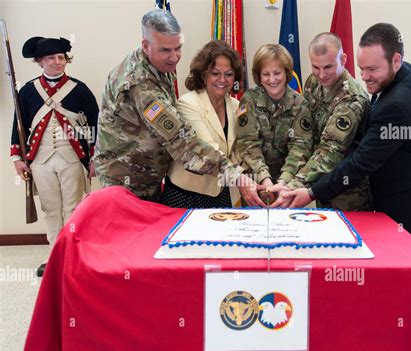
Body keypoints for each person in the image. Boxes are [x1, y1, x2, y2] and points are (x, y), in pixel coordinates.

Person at [280, 23, 411, 249]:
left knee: (408, 265)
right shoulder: (403, 72)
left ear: (395, 60)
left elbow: (362, 161)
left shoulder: (397, 105)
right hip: (409, 182)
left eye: (372, 70)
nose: (364, 77)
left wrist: (311, 192)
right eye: (362, 68)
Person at [94, 9, 263, 206]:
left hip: (148, 178)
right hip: (125, 183)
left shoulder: (159, 66)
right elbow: (182, 143)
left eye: (178, 48)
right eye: (165, 50)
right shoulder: (140, 85)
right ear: (145, 45)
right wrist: (236, 176)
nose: (174, 57)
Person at [10, 36, 99, 277]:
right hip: (40, 159)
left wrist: (93, 158)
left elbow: (95, 124)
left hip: (72, 156)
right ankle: (54, 255)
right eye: (51, 58)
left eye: (61, 57)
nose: (58, 62)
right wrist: (17, 157)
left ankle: (71, 254)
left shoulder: (79, 90)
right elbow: (19, 125)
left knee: (73, 208)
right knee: (51, 209)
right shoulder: (28, 91)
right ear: (40, 61)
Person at [276, 33, 372, 211]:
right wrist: (286, 177)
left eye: (328, 67)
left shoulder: (352, 98)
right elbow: (306, 134)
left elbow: (330, 150)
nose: (322, 74)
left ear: (343, 59)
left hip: (348, 194)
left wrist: (293, 186)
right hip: (320, 186)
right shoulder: (313, 82)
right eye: (315, 67)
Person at [159, 40, 242, 208]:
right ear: (204, 74)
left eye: (229, 74)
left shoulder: (236, 106)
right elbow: (206, 149)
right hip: (186, 195)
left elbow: (240, 149)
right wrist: (242, 179)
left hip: (221, 192)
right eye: (215, 73)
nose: (222, 80)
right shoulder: (187, 103)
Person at [235, 44, 313, 199]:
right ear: (259, 76)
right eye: (266, 74)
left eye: (277, 73)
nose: (272, 80)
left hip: (289, 186)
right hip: (256, 183)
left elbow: (300, 148)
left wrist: (283, 182)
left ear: (286, 72)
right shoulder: (248, 100)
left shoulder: (300, 104)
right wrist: (265, 180)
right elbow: (247, 143)